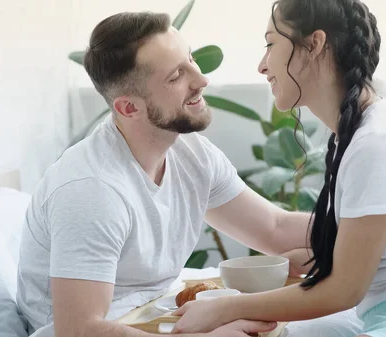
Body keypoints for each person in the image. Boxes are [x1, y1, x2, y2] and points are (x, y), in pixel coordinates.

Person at [171, 1, 386, 336]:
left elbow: (344, 290)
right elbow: (366, 241)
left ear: (313, 44)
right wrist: (321, 253)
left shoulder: (376, 143)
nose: (262, 66)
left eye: (271, 44)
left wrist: (225, 307)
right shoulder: (363, 131)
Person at [15, 11, 311, 337]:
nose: (201, 79)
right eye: (176, 76)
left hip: (155, 314)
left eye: (192, 60)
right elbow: (79, 330)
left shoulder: (191, 154)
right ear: (129, 108)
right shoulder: (91, 189)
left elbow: (274, 229)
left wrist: (363, 230)